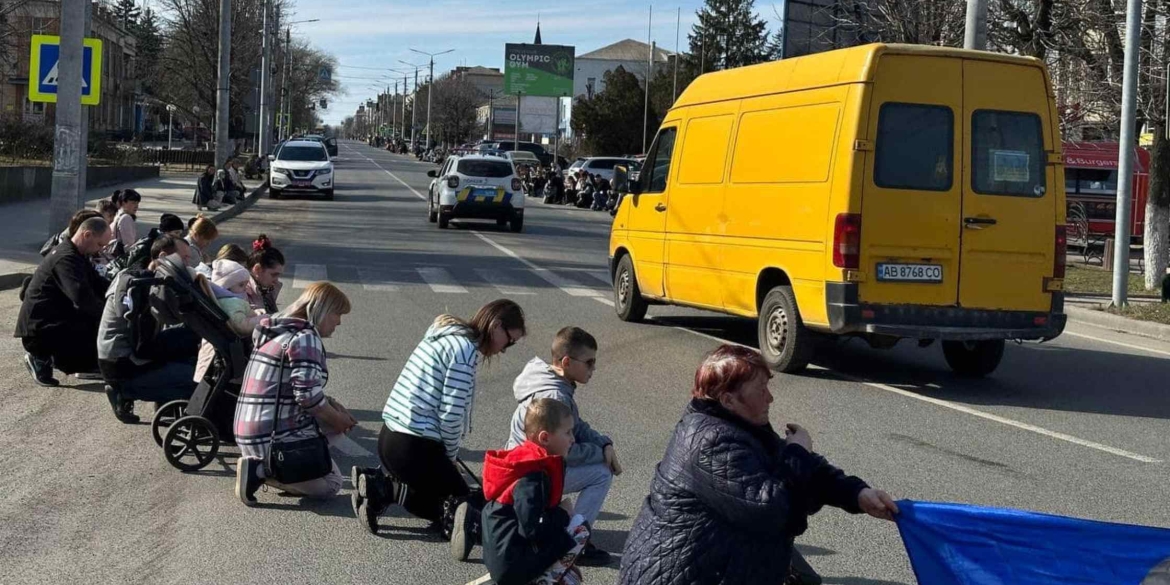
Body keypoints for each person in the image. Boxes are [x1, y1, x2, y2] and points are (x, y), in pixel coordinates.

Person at [618, 345, 901, 585]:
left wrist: (857, 494)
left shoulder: (738, 425)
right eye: (761, 389)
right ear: (728, 399)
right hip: (679, 573)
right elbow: (772, 509)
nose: (770, 397)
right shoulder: (710, 442)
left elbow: (795, 471)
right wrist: (797, 452)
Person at [352, 300, 527, 549]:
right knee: (462, 503)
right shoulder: (465, 351)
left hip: (391, 437)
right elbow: (451, 414)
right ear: (497, 326)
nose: (505, 349)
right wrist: (451, 456)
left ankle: (382, 488)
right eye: (509, 340)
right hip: (413, 444)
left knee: (450, 496)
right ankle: (385, 489)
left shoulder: (445, 335)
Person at [233, 282, 358, 505]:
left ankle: (287, 467)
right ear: (322, 309)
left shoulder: (275, 331)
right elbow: (308, 398)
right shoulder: (305, 337)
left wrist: (334, 408)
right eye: (337, 314)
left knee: (335, 418)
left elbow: (295, 390)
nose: (339, 322)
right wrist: (338, 419)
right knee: (332, 483)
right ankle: (262, 471)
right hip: (269, 437)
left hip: (249, 429)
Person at [506, 326, 618, 565]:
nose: (593, 368)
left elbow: (576, 425)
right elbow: (565, 454)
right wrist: (600, 453)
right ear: (567, 362)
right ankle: (574, 544)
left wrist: (603, 442)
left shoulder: (549, 378)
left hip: (525, 470)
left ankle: (565, 531)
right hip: (527, 478)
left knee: (599, 462)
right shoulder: (554, 396)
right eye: (589, 362)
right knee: (601, 472)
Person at [483, 398, 590, 585]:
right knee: (580, 527)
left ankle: (541, 576)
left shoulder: (524, 461)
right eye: (567, 433)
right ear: (545, 438)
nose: (573, 439)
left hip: (504, 558)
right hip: (511, 565)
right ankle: (540, 582)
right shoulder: (532, 476)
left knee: (573, 577)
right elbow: (532, 529)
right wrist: (562, 514)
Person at [97, 235, 199, 423]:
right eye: (183, 258)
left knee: (190, 339)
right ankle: (126, 393)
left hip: (133, 351)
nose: (187, 263)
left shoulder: (148, 279)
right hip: (124, 364)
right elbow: (143, 346)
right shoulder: (138, 285)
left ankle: (165, 407)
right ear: (162, 257)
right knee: (196, 378)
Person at [16, 217, 112, 386]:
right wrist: (110, 315)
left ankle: (87, 362)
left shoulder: (76, 254)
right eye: (100, 245)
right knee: (95, 323)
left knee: (95, 319)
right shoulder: (66, 258)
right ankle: (41, 358)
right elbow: (82, 299)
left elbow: (98, 283)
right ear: (87, 235)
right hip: (40, 331)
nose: (100, 251)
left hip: (52, 319)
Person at [193, 258, 264, 383]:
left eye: (245, 284)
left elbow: (241, 314)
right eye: (241, 285)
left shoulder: (227, 300)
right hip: (230, 355)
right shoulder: (231, 303)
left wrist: (255, 313)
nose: (244, 289)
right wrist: (262, 319)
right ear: (227, 286)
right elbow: (241, 325)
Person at [246, 235, 285, 314]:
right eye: (274, 275)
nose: (276, 280)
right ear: (257, 269)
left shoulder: (265, 289)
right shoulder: (243, 290)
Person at [110, 189, 141, 257]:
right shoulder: (126, 218)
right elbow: (129, 245)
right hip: (121, 257)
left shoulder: (118, 214)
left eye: (137, 203)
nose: (136, 206)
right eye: (133, 203)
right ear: (124, 202)